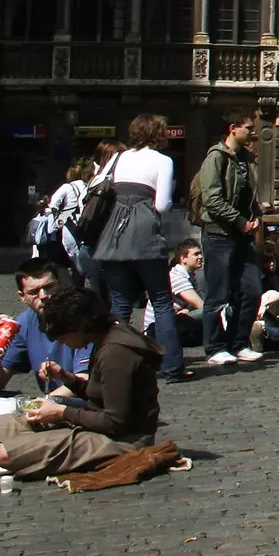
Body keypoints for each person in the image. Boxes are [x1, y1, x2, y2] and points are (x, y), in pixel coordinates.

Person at [0, 286, 165, 493]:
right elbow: (101, 393)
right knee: (4, 426)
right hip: (102, 425)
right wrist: (67, 378)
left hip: (124, 441)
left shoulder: (116, 353)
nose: (62, 342)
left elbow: (116, 422)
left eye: (63, 336)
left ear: (80, 326)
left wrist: (60, 413)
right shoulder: (105, 336)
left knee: (4, 453)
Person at [91, 112, 189, 384]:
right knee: (161, 302)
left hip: (113, 235)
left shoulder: (118, 158)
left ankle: (109, 367)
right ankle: (171, 368)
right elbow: (161, 205)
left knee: (119, 304)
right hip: (144, 232)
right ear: (158, 134)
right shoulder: (163, 161)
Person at [0, 258, 92, 434]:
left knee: (53, 404)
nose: (44, 296)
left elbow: (84, 379)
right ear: (22, 297)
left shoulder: (79, 317)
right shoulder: (24, 322)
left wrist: (34, 405)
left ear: (60, 285)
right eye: (34, 292)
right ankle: (12, 432)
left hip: (76, 401)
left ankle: (3, 434)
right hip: (44, 401)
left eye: (49, 287)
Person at [192, 112, 263, 369]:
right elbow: (212, 198)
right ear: (233, 129)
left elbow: (247, 194)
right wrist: (239, 219)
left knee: (252, 289)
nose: (252, 132)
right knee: (218, 293)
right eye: (248, 128)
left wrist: (255, 214)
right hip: (218, 233)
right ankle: (214, 346)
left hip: (241, 233)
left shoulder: (245, 158)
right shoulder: (216, 157)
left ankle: (238, 342)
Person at [144, 239, 205, 349]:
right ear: (183, 259)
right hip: (155, 331)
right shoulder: (177, 276)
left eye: (200, 253)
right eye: (196, 254)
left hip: (171, 323)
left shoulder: (190, 276)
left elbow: (193, 304)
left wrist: (188, 310)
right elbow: (201, 305)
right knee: (212, 316)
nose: (200, 257)